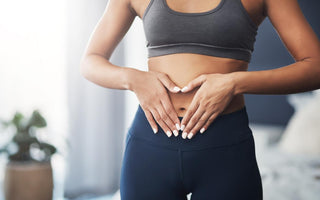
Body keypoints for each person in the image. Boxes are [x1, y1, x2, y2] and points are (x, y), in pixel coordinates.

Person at [80, 0, 320, 199]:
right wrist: (133, 79)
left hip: (224, 149)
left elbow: (315, 68)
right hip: (150, 144)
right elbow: (91, 60)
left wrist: (233, 83)